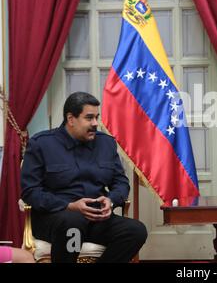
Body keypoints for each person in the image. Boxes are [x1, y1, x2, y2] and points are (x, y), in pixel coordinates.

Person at [21, 92, 147, 263]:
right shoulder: (41, 144)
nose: (95, 123)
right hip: (56, 217)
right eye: (89, 118)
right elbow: (30, 192)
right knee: (72, 224)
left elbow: (121, 183)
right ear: (71, 119)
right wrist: (69, 206)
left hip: (96, 218)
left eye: (97, 117)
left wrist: (111, 200)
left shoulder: (106, 143)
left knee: (136, 231)